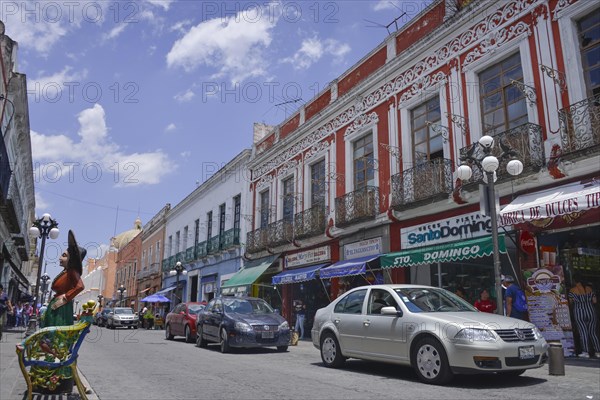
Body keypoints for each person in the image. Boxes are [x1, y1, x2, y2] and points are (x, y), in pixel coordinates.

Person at [42, 230, 86, 328]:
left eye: (64, 256)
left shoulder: (72, 271)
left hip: (62, 306)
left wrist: (66, 298)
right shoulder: (66, 271)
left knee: (57, 326)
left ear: (71, 259)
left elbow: (80, 286)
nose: (60, 258)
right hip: (58, 301)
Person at [569, 275, 600, 358]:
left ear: (575, 281)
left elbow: (571, 302)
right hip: (590, 311)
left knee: (583, 332)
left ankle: (585, 352)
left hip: (579, 312)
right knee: (593, 332)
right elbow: (595, 301)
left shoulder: (572, 290)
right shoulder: (590, 289)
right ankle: (598, 351)